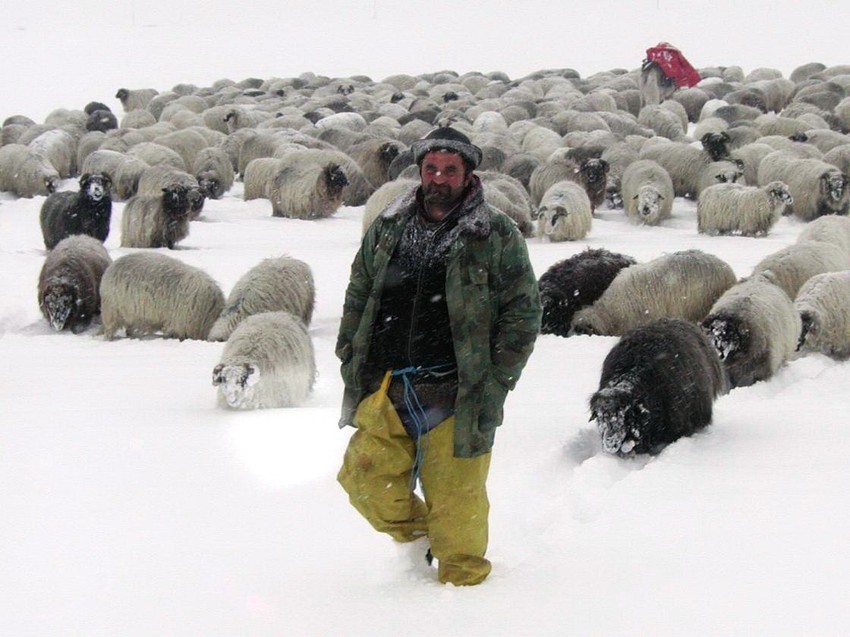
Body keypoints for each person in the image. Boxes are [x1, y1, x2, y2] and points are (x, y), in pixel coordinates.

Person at [335, 126, 541, 586]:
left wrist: (497, 377)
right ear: (420, 171)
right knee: (365, 483)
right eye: (431, 168)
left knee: (459, 512)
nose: (439, 178)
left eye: (450, 169)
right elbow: (360, 290)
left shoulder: (494, 233)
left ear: (468, 174)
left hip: (457, 391)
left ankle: (465, 603)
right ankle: (420, 538)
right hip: (388, 385)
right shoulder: (389, 225)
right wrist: (350, 351)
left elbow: (523, 311)